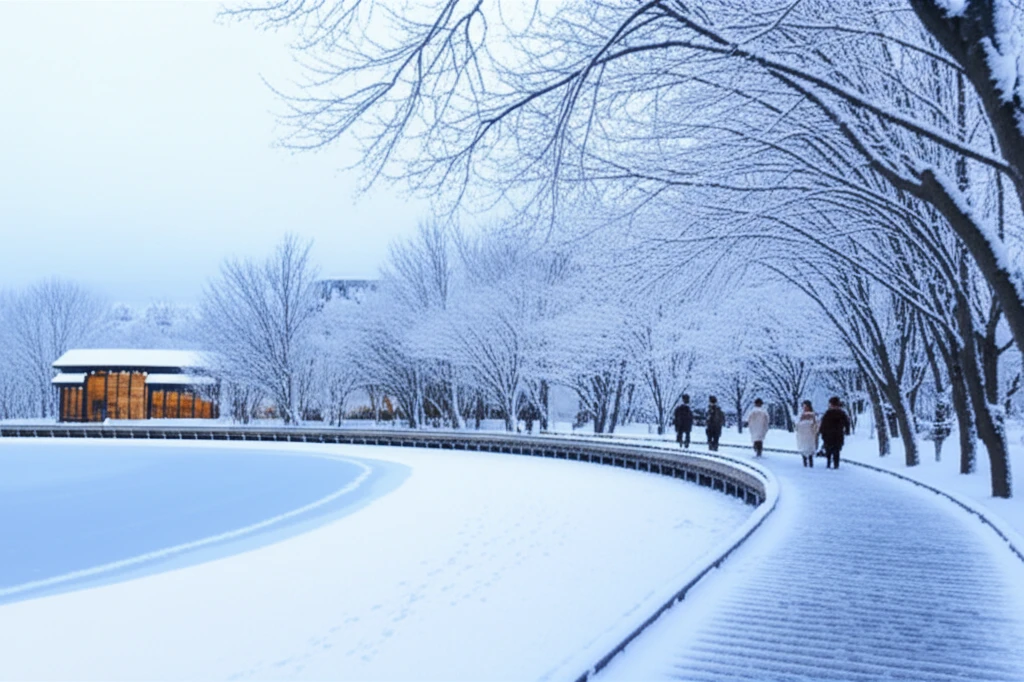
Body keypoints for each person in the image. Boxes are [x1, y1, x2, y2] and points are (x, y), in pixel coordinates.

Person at [818, 396, 851, 469]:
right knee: (836, 450)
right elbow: (847, 423)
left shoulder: (828, 413)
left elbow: (823, 424)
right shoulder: (842, 413)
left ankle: (829, 463)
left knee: (830, 449)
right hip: (838, 434)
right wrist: (847, 431)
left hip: (829, 435)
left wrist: (821, 432)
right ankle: (836, 464)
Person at [794, 400, 819, 467]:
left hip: (810, 435)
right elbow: (797, 425)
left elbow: (816, 426)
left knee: (810, 450)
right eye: (803, 406)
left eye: (806, 406)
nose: (804, 408)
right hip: (802, 435)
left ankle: (811, 463)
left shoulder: (813, 415)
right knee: (804, 449)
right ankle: (805, 463)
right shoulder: (801, 415)